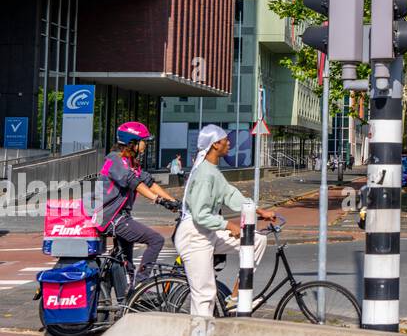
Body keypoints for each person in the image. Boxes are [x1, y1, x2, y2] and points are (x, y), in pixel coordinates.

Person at [175, 124, 277, 317]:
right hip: (194, 235)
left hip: (207, 232)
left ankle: (236, 297)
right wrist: (228, 225)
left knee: (257, 240)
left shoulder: (212, 171)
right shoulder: (205, 175)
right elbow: (200, 214)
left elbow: (230, 194)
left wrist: (258, 211)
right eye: (225, 140)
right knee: (204, 294)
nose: (229, 143)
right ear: (215, 145)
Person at [97, 122, 179, 283]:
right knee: (156, 240)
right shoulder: (115, 160)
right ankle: (142, 286)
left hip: (121, 217)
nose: (145, 145)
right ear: (132, 142)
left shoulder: (131, 162)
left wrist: (175, 202)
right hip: (111, 217)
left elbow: (148, 182)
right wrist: (158, 200)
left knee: (126, 262)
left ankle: (128, 296)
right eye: (144, 141)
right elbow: (133, 182)